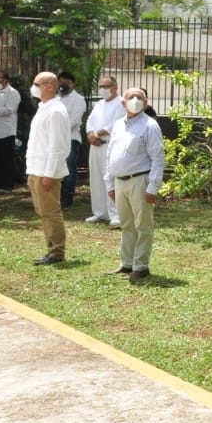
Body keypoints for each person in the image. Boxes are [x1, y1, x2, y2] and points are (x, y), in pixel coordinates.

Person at [103, 88, 165, 282]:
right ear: (123, 102)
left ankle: (141, 265)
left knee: (143, 225)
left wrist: (153, 187)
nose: (136, 100)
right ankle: (127, 263)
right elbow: (110, 154)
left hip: (140, 181)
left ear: (146, 103)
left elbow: (157, 158)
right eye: (131, 97)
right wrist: (110, 183)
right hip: (120, 181)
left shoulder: (150, 125)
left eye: (140, 98)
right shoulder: (118, 125)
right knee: (127, 224)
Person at [25, 72, 71, 265]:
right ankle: (51, 247)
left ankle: (56, 252)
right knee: (43, 211)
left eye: (37, 83)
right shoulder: (44, 108)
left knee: (50, 212)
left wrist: (49, 174)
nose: (33, 87)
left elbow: (57, 146)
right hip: (36, 169)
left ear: (50, 87)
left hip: (46, 172)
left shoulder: (56, 111)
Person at [84, 75, 126, 227]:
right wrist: (90, 134)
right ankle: (99, 212)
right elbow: (90, 120)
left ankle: (115, 214)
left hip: (110, 144)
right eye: (101, 86)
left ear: (115, 88)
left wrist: (97, 134)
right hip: (95, 145)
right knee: (96, 178)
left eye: (106, 86)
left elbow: (115, 124)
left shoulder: (121, 103)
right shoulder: (99, 104)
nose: (103, 89)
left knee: (111, 179)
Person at [56, 71, 86, 208]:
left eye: (67, 82)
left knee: (69, 168)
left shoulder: (78, 99)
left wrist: (56, 129)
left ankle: (67, 198)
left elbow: (74, 121)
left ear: (73, 84)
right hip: (54, 139)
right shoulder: (56, 98)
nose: (63, 85)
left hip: (70, 139)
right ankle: (57, 196)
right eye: (61, 82)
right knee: (56, 168)